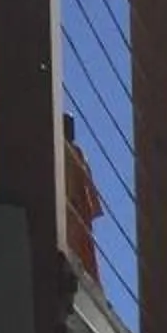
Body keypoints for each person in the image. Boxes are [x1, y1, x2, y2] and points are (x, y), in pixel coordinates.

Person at [63, 113, 102, 286]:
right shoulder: (66, 151)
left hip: (76, 209)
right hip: (71, 209)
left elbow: (85, 189)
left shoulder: (75, 152)